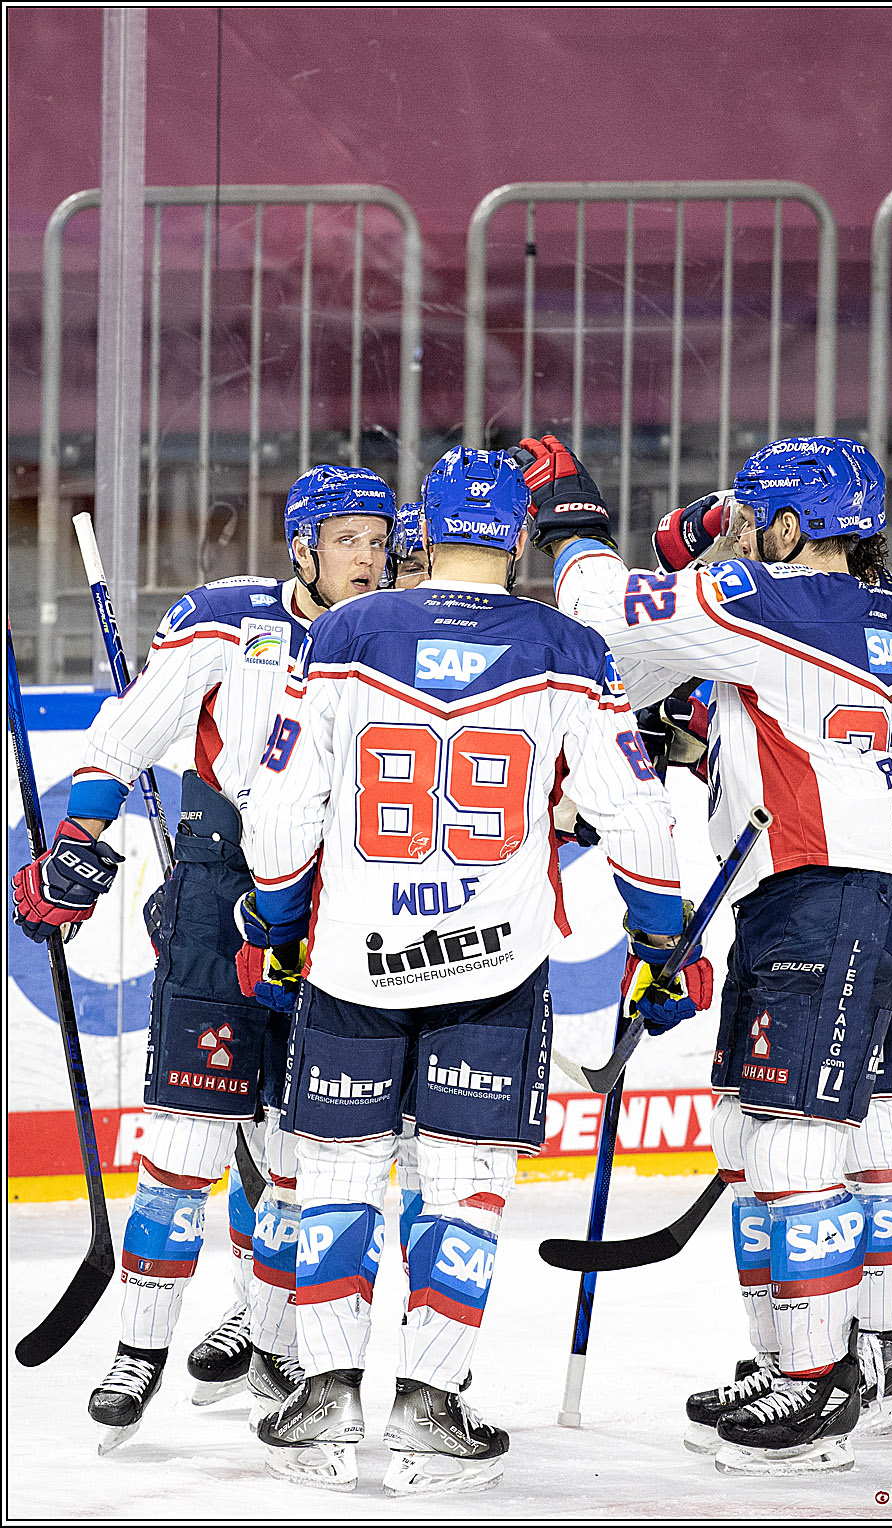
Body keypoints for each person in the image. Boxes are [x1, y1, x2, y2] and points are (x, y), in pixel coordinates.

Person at [237, 446, 713, 1496]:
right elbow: (633, 813)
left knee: (338, 1177)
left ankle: (322, 1395)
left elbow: (279, 811)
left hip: (352, 964)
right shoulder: (569, 648)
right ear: (513, 531)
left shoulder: (341, 635)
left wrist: (275, 914)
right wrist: (659, 939)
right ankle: (427, 1404)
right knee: (464, 1190)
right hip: (494, 968)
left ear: (422, 526)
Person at [513, 432, 892, 1476]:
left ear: (787, 526)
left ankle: (814, 1382)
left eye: (751, 515)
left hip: (826, 903)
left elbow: (598, 614)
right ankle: (845, 1354)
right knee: (807, 1127)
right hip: (858, 898)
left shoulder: (764, 604)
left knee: (789, 1141)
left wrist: (579, 524)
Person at [11, 463, 397, 1450]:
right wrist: (76, 846)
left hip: (344, 906)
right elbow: (118, 743)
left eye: (379, 538)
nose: (368, 555)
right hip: (221, 890)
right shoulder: (229, 621)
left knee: (297, 1157)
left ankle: (269, 1337)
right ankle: (137, 1350)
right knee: (184, 1139)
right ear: (301, 546)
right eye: (347, 537)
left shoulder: (398, 640)